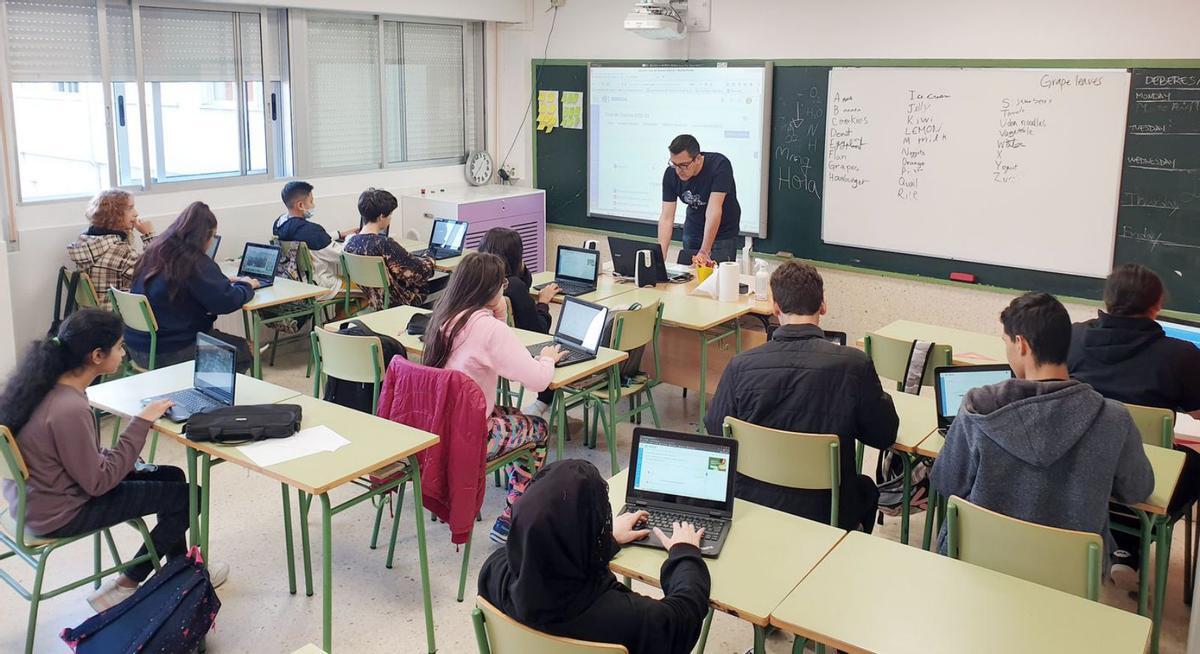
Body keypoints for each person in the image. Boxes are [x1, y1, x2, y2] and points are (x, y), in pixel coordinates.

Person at [0, 309, 227, 613]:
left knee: (172, 476)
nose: (124, 353)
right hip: (62, 512)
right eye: (120, 347)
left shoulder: (43, 386)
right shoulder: (69, 408)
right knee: (190, 496)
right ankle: (128, 582)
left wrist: (119, 459)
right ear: (97, 355)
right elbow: (98, 483)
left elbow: (70, 456)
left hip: (36, 501)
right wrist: (141, 422)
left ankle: (178, 571)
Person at [930, 292, 1154, 558]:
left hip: (981, 560)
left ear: (1021, 345)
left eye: (1006, 342)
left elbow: (945, 481)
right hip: (1071, 571)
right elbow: (1137, 490)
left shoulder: (978, 406)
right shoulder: (1114, 419)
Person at [704, 261, 898, 532]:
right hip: (825, 513)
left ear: (776, 308)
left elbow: (716, 429)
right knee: (865, 487)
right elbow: (883, 435)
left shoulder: (740, 366)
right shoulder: (854, 365)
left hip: (752, 504)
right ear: (823, 305)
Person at [478, 460, 710, 654]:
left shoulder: (493, 572)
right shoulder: (628, 620)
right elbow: (684, 615)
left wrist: (604, 542)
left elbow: (547, 555)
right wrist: (685, 551)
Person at [422, 252, 564, 543]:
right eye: (502, 284)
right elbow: (537, 380)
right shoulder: (488, 329)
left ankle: (512, 494)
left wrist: (499, 315)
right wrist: (548, 358)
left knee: (515, 416)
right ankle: (511, 518)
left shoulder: (445, 316)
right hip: (471, 436)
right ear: (491, 289)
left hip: (439, 428)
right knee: (538, 429)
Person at [1067, 263, 1200, 574]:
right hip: (1142, 476)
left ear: (1107, 300)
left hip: (1077, 464)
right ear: (1157, 305)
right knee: (1191, 463)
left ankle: (1114, 542)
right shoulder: (1181, 355)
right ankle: (1131, 547)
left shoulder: (1072, 337)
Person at [127, 202, 258, 372]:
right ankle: (207, 389)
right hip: (171, 352)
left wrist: (220, 281)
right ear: (205, 236)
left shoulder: (155, 252)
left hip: (137, 347)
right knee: (246, 349)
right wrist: (246, 285)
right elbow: (226, 301)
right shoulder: (195, 262)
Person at [477, 227, 560, 417]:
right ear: (516, 257)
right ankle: (544, 401)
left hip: (489, 354)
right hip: (520, 351)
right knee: (555, 346)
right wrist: (543, 303)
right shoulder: (514, 287)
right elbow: (539, 330)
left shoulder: (478, 281)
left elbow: (524, 281)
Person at [343, 188, 434, 311]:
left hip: (375, 301)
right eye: (390, 215)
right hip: (399, 302)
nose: (390, 218)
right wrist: (429, 257)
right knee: (445, 282)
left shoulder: (350, 244)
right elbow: (421, 271)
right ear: (381, 216)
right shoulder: (385, 244)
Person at [658, 134, 741, 267]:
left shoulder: (719, 165)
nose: (678, 171)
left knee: (717, 275)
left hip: (722, 233)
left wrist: (704, 251)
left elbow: (713, 211)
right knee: (689, 274)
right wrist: (659, 258)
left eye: (684, 165)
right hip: (694, 229)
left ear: (697, 158)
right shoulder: (671, 174)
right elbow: (667, 217)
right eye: (674, 164)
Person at [67, 189, 154, 309]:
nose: (136, 213)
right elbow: (155, 275)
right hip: (116, 317)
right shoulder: (122, 252)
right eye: (130, 208)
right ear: (114, 215)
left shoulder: (84, 243)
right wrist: (149, 236)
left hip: (92, 315)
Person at [271, 181, 357, 298]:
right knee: (367, 288)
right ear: (300, 205)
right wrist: (353, 238)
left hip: (296, 284)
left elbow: (314, 238)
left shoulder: (279, 225)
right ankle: (344, 310)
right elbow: (342, 255)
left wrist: (339, 234)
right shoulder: (311, 231)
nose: (313, 205)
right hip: (321, 285)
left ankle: (343, 310)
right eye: (311, 201)